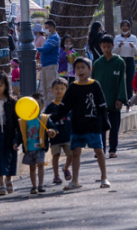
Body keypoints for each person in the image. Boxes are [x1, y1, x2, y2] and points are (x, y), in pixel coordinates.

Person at [51, 56, 110, 190]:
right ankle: (75, 181)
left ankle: (104, 177)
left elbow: (102, 104)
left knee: (99, 151)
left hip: (93, 124)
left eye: (83, 67)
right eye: (77, 68)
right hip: (77, 125)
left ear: (90, 69)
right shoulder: (73, 87)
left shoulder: (95, 85)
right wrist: (52, 118)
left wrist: (105, 122)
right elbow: (65, 106)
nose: (80, 70)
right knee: (76, 152)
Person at [91, 35, 128, 159]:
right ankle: (100, 150)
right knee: (100, 128)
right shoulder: (97, 64)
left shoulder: (119, 62)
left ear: (113, 46)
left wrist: (121, 98)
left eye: (108, 46)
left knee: (114, 127)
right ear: (100, 47)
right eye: (103, 47)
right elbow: (93, 83)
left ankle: (113, 149)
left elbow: (122, 82)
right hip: (100, 102)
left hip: (114, 101)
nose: (106, 49)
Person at [19, 92, 55, 195]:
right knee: (32, 167)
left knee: (40, 164)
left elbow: (53, 128)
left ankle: (41, 185)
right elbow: (20, 133)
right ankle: (34, 186)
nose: (35, 107)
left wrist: (51, 132)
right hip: (29, 148)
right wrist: (16, 142)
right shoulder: (24, 120)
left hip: (40, 147)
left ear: (42, 106)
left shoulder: (44, 118)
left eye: (38, 105)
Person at [44, 77, 72, 186]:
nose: (59, 91)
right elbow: (45, 120)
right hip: (55, 137)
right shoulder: (50, 107)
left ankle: (65, 167)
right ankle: (56, 175)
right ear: (52, 91)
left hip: (68, 135)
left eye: (62, 88)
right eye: (56, 88)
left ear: (66, 90)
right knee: (56, 156)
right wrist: (48, 131)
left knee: (71, 154)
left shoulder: (69, 105)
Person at [114, 21, 137, 98]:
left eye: (127, 26)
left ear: (129, 27)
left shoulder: (133, 38)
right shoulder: (117, 38)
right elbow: (113, 51)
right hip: (120, 60)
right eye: (123, 26)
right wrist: (119, 46)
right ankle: (121, 98)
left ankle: (129, 99)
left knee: (130, 80)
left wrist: (133, 46)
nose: (125, 28)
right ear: (121, 27)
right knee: (120, 80)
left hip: (130, 60)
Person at [39, 20, 60, 106]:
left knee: (50, 87)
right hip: (45, 66)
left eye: (47, 28)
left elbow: (46, 49)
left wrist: (34, 48)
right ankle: (47, 107)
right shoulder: (50, 37)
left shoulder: (55, 37)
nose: (45, 30)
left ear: (52, 27)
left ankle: (52, 107)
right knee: (45, 88)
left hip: (51, 66)